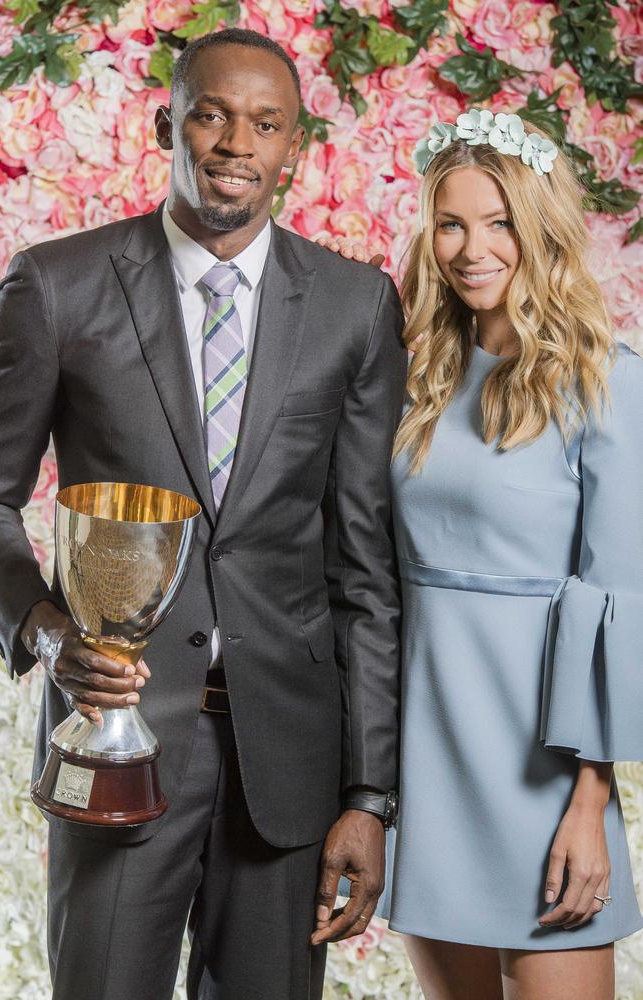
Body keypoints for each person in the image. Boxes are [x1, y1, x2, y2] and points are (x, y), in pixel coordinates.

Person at [0, 28, 406, 1000]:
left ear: (294, 149)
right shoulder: (57, 285)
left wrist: (369, 796)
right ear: (164, 123)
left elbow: (363, 569)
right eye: (211, 114)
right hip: (118, 736)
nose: (235, 143)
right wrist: (50, 635)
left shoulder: (353, 307)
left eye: (265, 124)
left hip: (289, 765)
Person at [321, 111, 643, 1000]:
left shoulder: (607, 382)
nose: (471, 248)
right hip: (428, 756)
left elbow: (615, 596)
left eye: (498, 221)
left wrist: (592, 800)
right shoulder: (415, 379)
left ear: (538, 227)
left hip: (545, 770)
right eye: (451, 222)